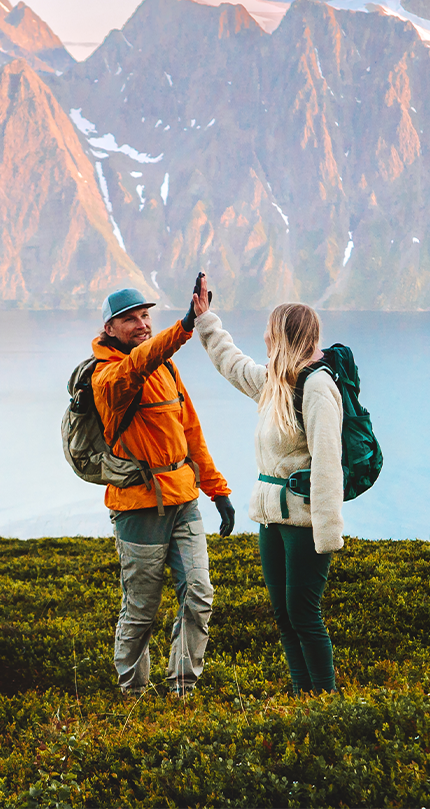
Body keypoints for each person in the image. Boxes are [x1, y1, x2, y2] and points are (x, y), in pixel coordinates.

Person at [192, 275, 343, 694]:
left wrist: (327, 535)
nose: (263, 337)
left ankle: (326, 699)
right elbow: (232, 363)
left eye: (270, 332)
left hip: (305, 523)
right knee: (283, 613)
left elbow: (330, 466)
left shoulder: (317, 387)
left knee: (304, 614)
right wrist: (206, 321)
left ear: (287, 337)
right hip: (271, 518)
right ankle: (301, 694)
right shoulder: (276, 383)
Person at [91, 285, 235, 696]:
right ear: (110, 328)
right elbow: (136, 365)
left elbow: (190, 431)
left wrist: (217, 490)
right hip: (138, 506)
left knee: (199, 594)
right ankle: (132, 696)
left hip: (183, 498)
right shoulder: (109, 377)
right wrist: (185, 326)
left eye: (145, 317)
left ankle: (182, 690)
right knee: (140, 610)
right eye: (131, 319)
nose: (142, 324)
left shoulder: (167, 368)